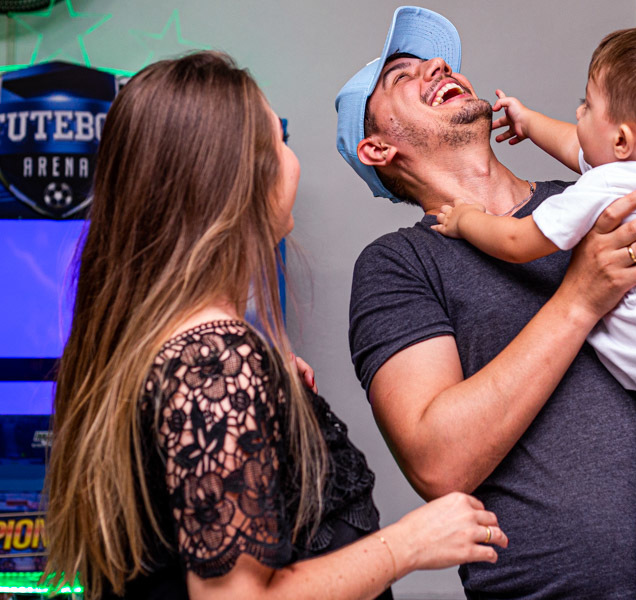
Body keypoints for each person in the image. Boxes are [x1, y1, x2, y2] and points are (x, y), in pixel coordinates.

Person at [335, 7, 636, 599]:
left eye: (435, 60)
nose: (436, 65)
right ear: (377, 148)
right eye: (400, 77)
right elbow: (439, 463)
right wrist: (581, 298)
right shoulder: (398, 266)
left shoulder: (616, 195)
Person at [43, 51, 507, 600]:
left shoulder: (185, 354)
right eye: (276, 143)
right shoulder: (211, 360)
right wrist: (408, 544)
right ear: (235, 176)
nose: (293, 161)